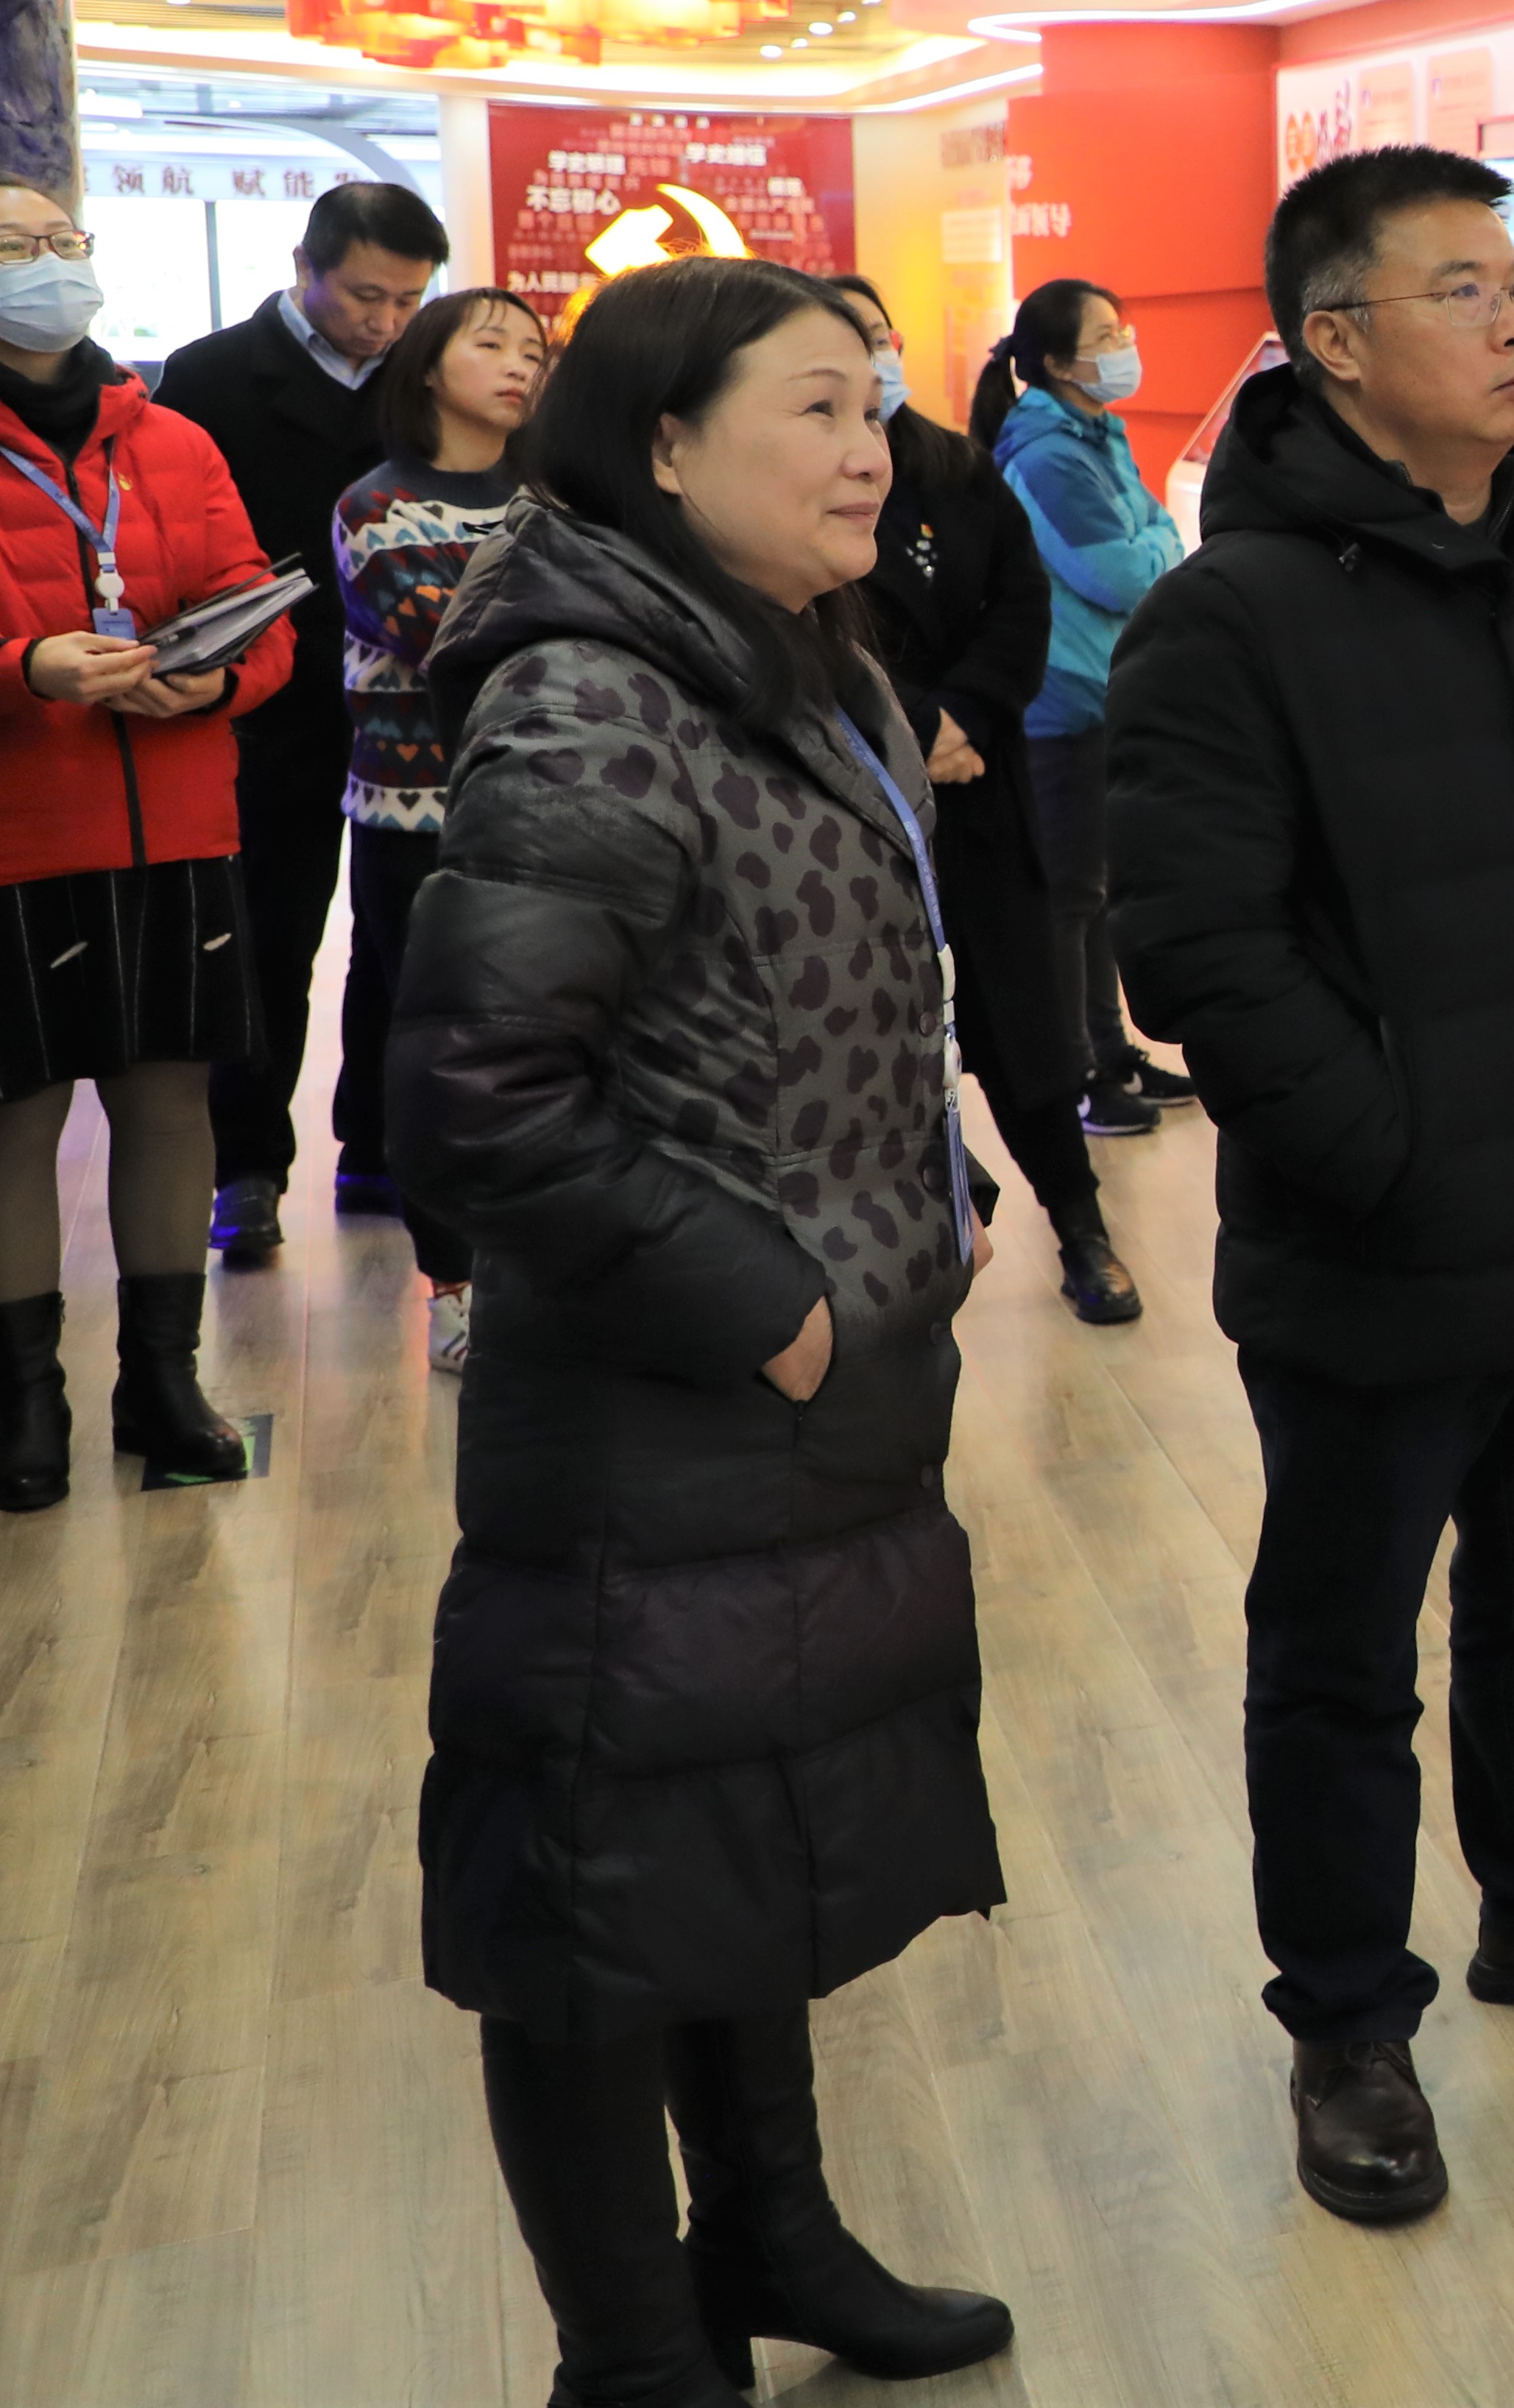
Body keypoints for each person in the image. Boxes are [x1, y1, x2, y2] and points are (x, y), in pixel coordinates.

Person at [1108, 147, 1514, 2232]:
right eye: (1465, 290)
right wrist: (1385, 1154)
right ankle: (1346, 2021)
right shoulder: (1237, 614)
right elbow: (1198, 953)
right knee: (1341, 1657)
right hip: (1383, 1248)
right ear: (1335, 341)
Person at [391, 258, 1009, 2405]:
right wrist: (776, 1311)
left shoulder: (795, 660)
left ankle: (772, 2231)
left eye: (875, 405)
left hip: (818, 1375)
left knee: (747, 1829)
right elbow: (476, 1095)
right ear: (662, 444)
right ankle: (638, 2352)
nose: (871, 450)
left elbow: (829, 999)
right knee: (595, 1886)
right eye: (816, 408)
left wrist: (930, 1201)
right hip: (664, 1395)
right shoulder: (595, 694)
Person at [0, 177, 275, 1508]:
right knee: (12, 1121)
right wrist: (24, 667)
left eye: (64, 242)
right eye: (13, 247)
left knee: (170, 1101)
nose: (51, 263)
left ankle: (165, 1384)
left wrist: (218, 677)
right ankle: (29, 1404)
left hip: (175, 822)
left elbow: (256, 608)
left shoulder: (170, 438)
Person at [830, 274, 1142, 1327]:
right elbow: (801, 627)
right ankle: (907, 1245)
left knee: (1024, 1017)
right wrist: (918, 730)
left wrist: (965, 716)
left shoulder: (957, 467)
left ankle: (1081, 1225)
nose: (876, 355)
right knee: (874, 1028)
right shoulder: (781, 483)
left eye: (882, 335)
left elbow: (1022, 597)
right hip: (858, 797)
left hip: (981, 782)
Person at [154, 175, 445, 1257]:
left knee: (401, 936)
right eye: (366, 295)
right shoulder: (210, 374)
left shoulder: (422, 378)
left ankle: (376, 1146)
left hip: (405, 703)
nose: (385, 322)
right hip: (269, 699)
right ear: (304, 269)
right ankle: (246, 1165)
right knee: (269, 933)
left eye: (409, 301)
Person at [330, 284, 549, 1373]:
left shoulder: (554, 499)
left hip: (549, 805)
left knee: (544, 1045)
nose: (519, 365)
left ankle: (543, 1274)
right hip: (417, 819)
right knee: (439, 1054)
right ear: (425, 366)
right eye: (492, 343)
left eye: (533, 352)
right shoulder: (378, 506)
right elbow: (454, 637)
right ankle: (453, 1285)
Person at [977, 277, 1192, 1141]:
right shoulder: (1048, 455)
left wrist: (1153, 544)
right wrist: (1155, 546)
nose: (1124, 345)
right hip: (1062, 702)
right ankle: (1078, 1076)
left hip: (1104, 690)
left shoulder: (1096, 433)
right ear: (1061, 362)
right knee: (1069, 898)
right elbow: (1124, 571)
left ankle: (1110, 1049)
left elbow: (1161, 537)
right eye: (1106, 335)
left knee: (1097, 890)